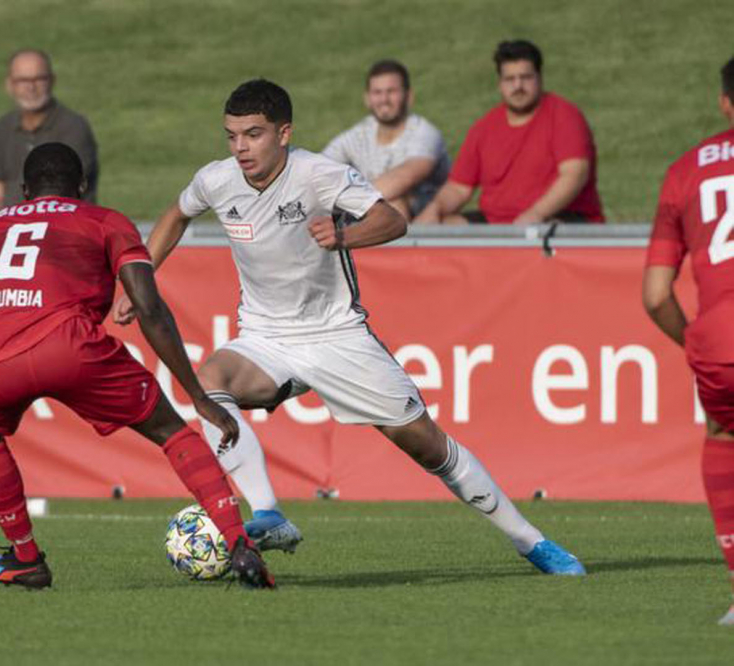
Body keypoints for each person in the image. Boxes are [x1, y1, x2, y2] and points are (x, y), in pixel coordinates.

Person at [112, 79, 585, 575]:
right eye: (231, 136)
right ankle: (268, 514)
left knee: (426, 444)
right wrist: (140, 279)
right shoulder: (217, 179)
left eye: (252, 135)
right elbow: (176, 214)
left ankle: (532, 542)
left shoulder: (320, 175)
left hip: (336, 335)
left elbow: (393, 221)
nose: (240, 148)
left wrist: (343, 235)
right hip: (265, 337)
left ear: (284, 133)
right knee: (210, 382)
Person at [0, 142, 274, 590]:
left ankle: (26, 558)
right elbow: (148, 308)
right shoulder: (105, 221)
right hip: (73, 350)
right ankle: (237, 543)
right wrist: (198, 394)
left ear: (23, 190)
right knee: (170, 431)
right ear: (82, 187)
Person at [643, 56, 734, 626]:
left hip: (719, 340)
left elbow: (656, 295)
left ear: (724, 102)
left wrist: (697, 343)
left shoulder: (685, 171)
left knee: (723, 435)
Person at [415, 40, 603, 225]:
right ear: (500, 83)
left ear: (540, 77)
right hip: (497, 223)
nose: (518, 86)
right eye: (510, 79)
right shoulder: (484, 128)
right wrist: (435, 209)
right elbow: (459, 188)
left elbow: (575, 174)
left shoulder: (564, 116)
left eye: (526, 77)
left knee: (548, 230)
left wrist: (537, 214)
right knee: (441, 228)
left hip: (557, 218)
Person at [323, 59, 449, 218]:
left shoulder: (425, 133)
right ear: (367, 98)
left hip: (428, 227)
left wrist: (346, 205)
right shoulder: (358, 135)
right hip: (371, 218)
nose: (384, 99)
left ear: (408, 96)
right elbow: (321, 168)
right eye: (377, 92)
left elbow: (406, 177)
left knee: (392, 205)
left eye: (392, 91)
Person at [0, 49, 99, 217]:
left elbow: (64, 191)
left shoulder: (74, 127)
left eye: (39, 79)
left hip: (65, 227)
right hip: (9, 230)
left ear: (52, 81)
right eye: (23, 80)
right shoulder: (1, 128)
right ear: (9, 85)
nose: (31, 87)